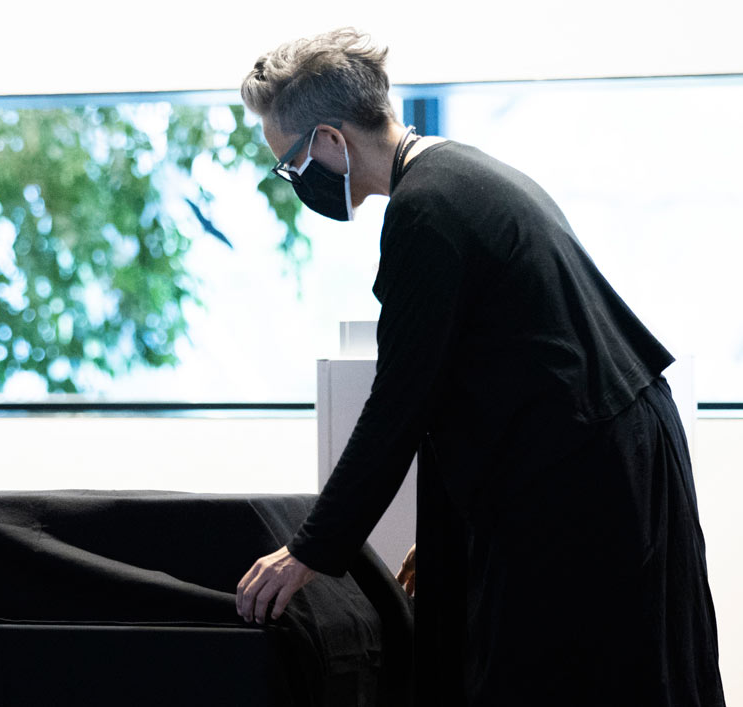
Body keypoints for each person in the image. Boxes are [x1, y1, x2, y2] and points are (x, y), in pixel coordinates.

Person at [233, 29, 725, 706]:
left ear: (329, 141)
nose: (297, 181)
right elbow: (455, 391)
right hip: (609, 450)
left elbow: (398, 406)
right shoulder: (455, 173)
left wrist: (311, 550)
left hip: (591, 472)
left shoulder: (425, 213)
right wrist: (445, 540)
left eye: (290, 162)